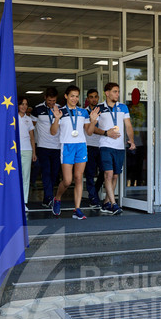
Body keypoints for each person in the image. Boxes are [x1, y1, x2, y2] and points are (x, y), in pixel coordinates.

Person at [50, 85, 99, 219]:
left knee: (78, 178)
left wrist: (93, 121)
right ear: (66, 96)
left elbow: (89, 133)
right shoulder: (59, 111)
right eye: (72, 96)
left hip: (81, 146)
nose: (74, 99)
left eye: (77, 96)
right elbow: (53, 132)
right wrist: (56, 119)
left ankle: (77, 209)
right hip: (67, 147)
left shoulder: (83, 112)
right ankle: (57, 198)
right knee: (67, 180)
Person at [95, 82, 135, 215]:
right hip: (105, 145)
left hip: (119, 147)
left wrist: (132, 140)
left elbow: (128, 125)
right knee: (109, 174)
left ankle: (106, 203)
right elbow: (92, 128)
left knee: (115, 175)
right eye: (115, 91)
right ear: (107, 93)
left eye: (118, 91)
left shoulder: (123, 107)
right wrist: (106, 133)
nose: (117, 94)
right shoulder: (99, 108)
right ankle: (114, 204)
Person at [31, 87, 61, 208]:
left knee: (55, 173)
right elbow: (31, 128)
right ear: (45, 98)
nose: (52, 103)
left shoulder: (60, 109)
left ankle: (47, 198)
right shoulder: (37, 109)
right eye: (49, 101)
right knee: (46, 171)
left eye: (53, 101)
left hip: (57, 146)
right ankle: (49, 197)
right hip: (43, 146)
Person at [84, 89, 104, 208]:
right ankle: (92, 198)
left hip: (101, 144)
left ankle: (94, 192)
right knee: (90, 173)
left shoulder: (103, 112)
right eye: (91, 97)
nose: (94, 99)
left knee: (104, 170)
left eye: (96, 97)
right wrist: (106, 132)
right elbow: (89, 130)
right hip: (89, 145)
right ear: (87, 99)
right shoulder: (84, 112)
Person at [18, 97, 36, 212]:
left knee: (26, 177)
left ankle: (24, 202)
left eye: (26, 104)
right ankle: (15, 201)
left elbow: (32, 137)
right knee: (15, 176)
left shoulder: (28, 119)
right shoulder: (12, 117)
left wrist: (34, 152)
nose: (24, 106)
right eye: (22, 104)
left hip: (27, 150)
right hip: (14, 150)